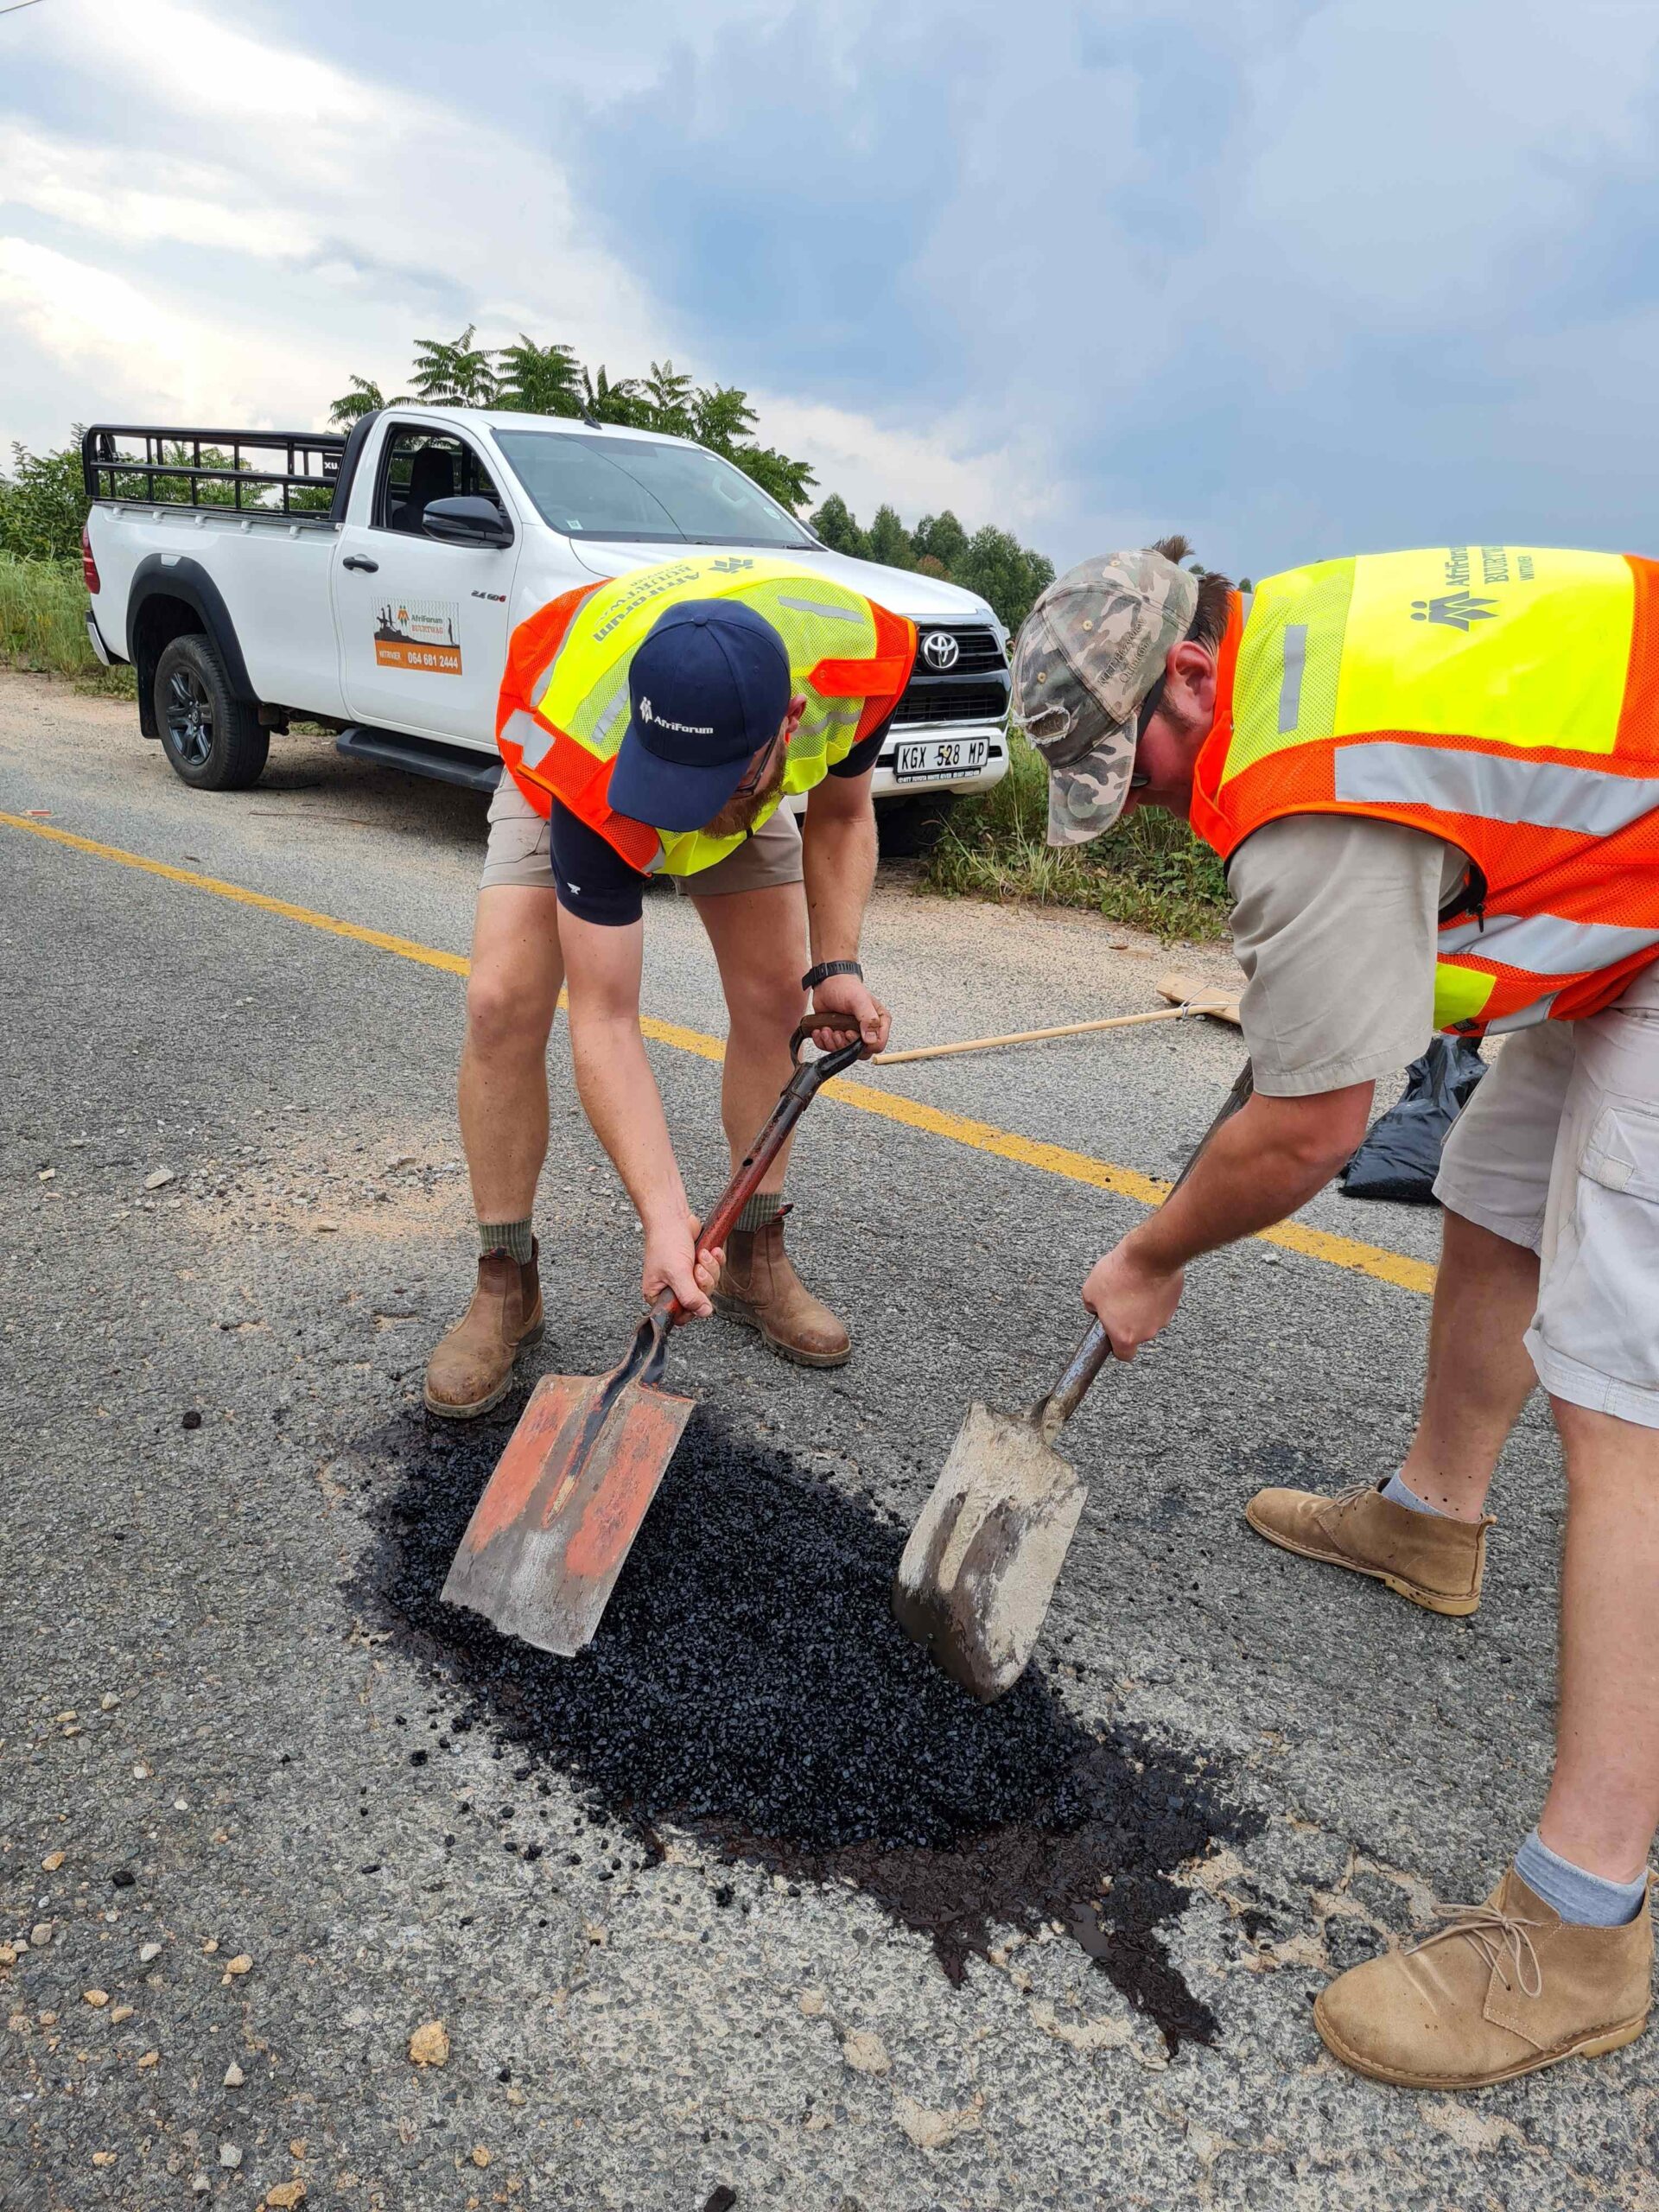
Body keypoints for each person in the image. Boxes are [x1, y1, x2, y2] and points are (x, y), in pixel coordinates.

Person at [1014, 539, 1659, 2089]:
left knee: (1621, 1402)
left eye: (1132, 770)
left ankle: (1583, 1920)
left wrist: (1154, 1253)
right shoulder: (1298, 649)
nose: (1143, 806)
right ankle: (1432, 1522)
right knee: (1497, 1190)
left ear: (1187, 675)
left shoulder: (1304, 784)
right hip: (1625, 900)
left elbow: (1310, 1130)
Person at [423, 556, 915, 1418]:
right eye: (676, 792)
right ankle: (506, 1277)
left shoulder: (862, 660)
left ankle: (753, 1251)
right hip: (587, 769)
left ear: (789, 723)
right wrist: (663, 1217)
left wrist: (835, 968)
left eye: (711, 789)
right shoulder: (590, 752)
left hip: (724, 760)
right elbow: (606, 1018)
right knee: (501, 1004)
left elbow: (841, 815)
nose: (685, 821)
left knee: (776, 997)